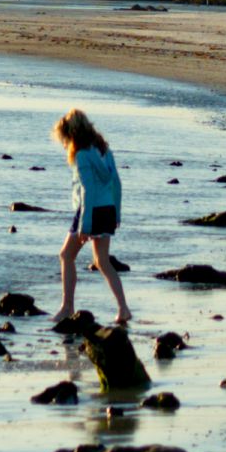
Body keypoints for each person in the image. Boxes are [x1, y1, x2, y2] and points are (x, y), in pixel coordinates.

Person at [50, 109, 133, 333]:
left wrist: (85, 225)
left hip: (90, 211)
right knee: (102, 261)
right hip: (107, 209)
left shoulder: (82, 155)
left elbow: (88, 190)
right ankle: (123, 308)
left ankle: (67, 307)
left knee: (66, 255)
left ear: (71, 133)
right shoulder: (103, 149)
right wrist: (116, 213)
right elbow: (116, 182)